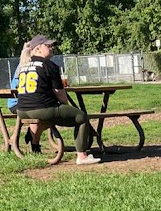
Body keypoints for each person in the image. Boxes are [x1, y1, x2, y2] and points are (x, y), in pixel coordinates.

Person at [15, 34, 100, 164]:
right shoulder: (49, 65)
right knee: (81, 117)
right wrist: (65, 107)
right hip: (43, 109)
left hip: (22, 111)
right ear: (38, 49)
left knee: (45, 118)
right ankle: (82, 156)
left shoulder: (23, 66)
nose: (51, 48)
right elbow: (60, 94)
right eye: (48, 46)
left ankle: (34, 146)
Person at [8, 42, 35, 148]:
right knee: (40, 111)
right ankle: (30, 135)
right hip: (17, 103)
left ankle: (17, 138)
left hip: (23, 103)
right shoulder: (25, 68)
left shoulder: (23, 66)